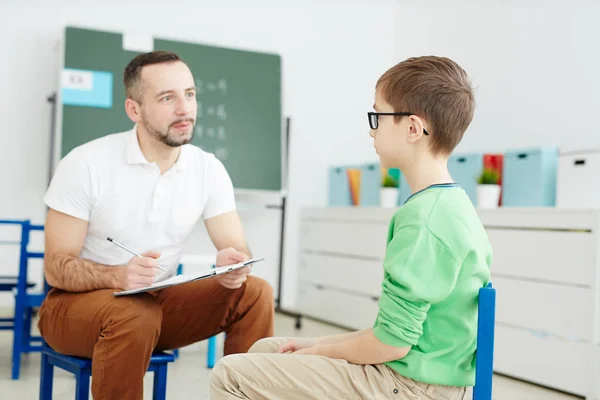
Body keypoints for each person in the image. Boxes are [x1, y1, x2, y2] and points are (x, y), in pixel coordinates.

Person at [209, 55, 492, 399]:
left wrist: (316, 352)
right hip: (419, 377)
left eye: (378, 116)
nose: (372, 129)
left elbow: (391, 344)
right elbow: (392, 334)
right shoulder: (451, 206)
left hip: (412, 387)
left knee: (230, 375)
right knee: (269, 347)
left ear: (413, 128)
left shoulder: (424, 220)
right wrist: (315, 342)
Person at [38, 50, 274, 399]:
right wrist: (117, 276)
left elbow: (237, 249)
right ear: (134, 109)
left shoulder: (207, 169)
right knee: (136, 313)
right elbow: (55, 268)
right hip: (73, 309)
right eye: (167, 98)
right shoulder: (86, 163)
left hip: (153, 308)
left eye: (189, 94)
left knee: (255, 292)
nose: (184, 109)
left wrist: (234, 264)